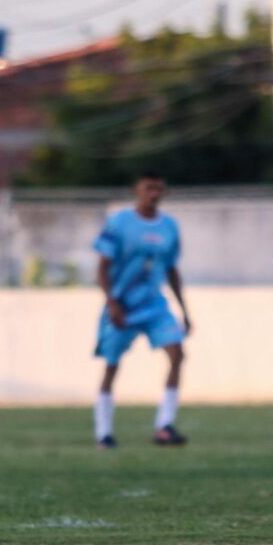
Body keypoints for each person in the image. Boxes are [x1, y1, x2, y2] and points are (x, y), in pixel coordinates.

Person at [91, 173, 190, 448]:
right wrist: (112, 303)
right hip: (122, 305)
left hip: (154, 305)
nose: (154, 193)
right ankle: (104, 433)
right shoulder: (120, 222)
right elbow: (101, 268)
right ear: (137, 190)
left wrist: (184, 309)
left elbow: (171, 269)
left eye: (159, 188)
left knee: (177, 353)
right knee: (112, 365)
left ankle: (165, 426)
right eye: (149, 188)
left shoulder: (169, 226)